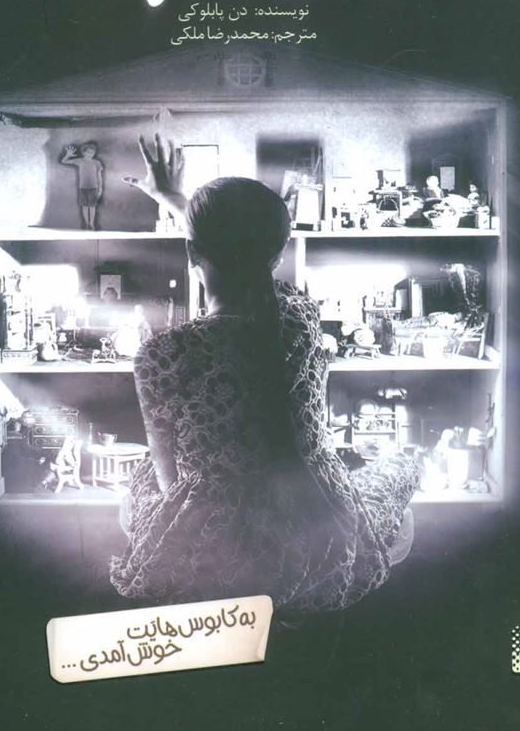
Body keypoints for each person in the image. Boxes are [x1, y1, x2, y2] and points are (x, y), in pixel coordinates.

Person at [110, 134, 419, 616]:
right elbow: (241, 255)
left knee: (141, 479)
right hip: (317, 529)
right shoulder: (301, 316)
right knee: (405, 466)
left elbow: (171, 485)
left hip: (216, 546)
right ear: (277, 256)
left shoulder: (162, 353)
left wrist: (175, 201)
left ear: (192, 254)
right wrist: (178, 202)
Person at [60, 141, 103, 230]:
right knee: (84, 206)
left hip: (94, 187)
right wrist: (68, 155)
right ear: (84, 152)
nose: (90, 154)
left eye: (92, 152)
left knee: (92, 206)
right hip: (82, 187)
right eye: (88, 152)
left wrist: (100, 188)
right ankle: (87, 223)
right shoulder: (79, 161)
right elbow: (64, 161)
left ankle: (91, 223)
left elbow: (99, 176)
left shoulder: (96, 163)